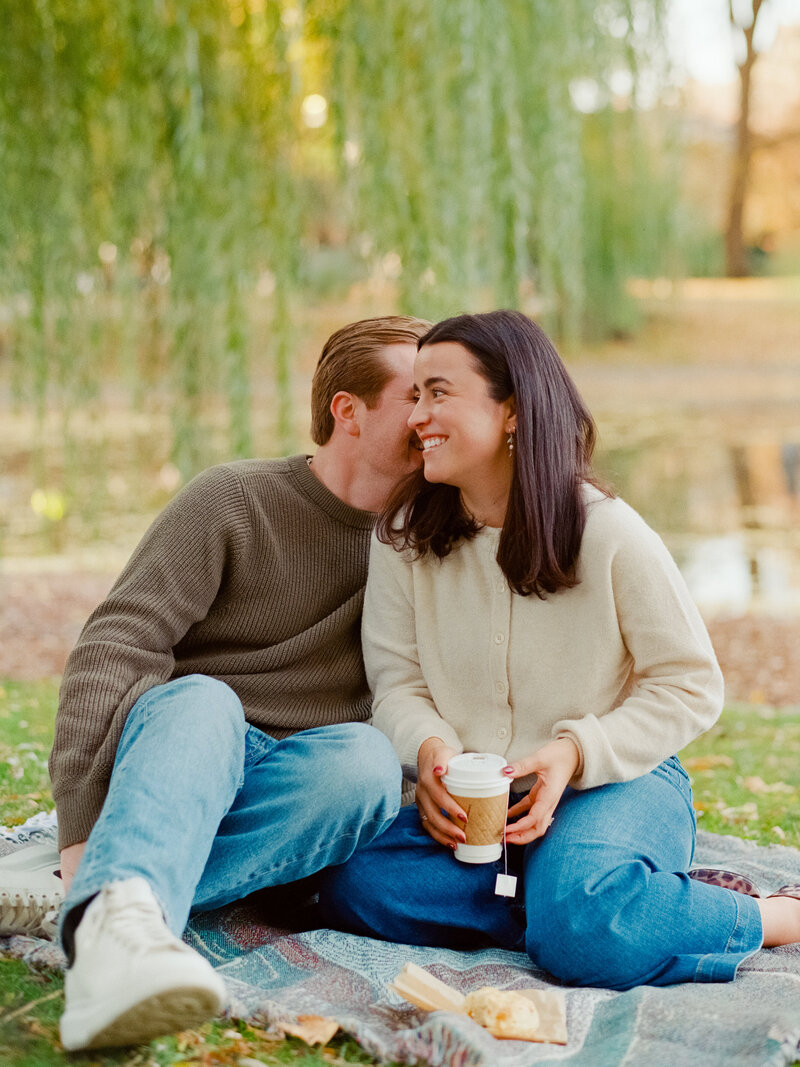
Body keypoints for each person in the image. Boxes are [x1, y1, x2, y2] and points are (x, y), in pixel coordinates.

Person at [318, 309, 800, 989]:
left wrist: (575, 752)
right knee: (351, 882)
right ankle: (578, 901)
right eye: (415, 393)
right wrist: (429, 751)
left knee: (581, 923)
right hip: (486, 801)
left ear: (511, 410)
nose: (416, 415)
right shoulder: (404, 537)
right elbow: (396, 683)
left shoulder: (609, 534)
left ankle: (766, 915)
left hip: (615, 780)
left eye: (438, 392)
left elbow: (690, 684)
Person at [0, 314, 430, 1050]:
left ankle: (104, 902)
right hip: (186, 749)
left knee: (366, 764)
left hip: (291, 792)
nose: (432, 415)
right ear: (348, 410)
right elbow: (117, 645)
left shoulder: (432, 546)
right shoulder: (233, 499)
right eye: (416, 394)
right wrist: (78, 821)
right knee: (207, 699)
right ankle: (105, 896)